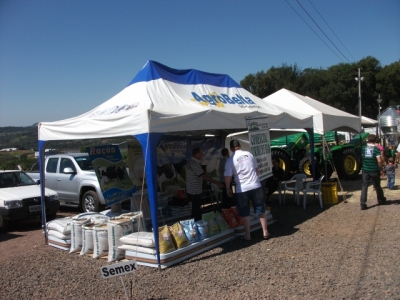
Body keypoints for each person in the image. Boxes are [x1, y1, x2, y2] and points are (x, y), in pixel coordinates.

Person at [224, 139, 270, 241]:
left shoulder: (230, 160)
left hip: (242, 189)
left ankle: (248, 235)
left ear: (231, 149)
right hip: (256, 185)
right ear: (240, 146)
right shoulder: (249, 154)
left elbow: (227, 176)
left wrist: (228, 188)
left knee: (245, 212)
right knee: (260, 208)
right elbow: (256, 169)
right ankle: (265, 231)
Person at [185, 147, 224, 221]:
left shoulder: (190, 161)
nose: (202, 154)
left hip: (192, 189)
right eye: (201, 153)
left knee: (195, 208)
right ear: (196, 154)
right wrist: (217, 183)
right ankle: (198, 224)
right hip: (195, 190)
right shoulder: (194, 163)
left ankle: (194, 223)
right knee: (196, 209)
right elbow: (204, 176)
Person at [360, 134, 386, 210]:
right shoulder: (376, 149)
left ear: (368, 140)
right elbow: (379, 160)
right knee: (377, 185)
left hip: (365, 170)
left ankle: (363, 204)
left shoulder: (363, 148)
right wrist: (381, 169)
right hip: (374, 170)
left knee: (364, 186)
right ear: (374, 141)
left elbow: (363, 158)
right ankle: (381, 200)